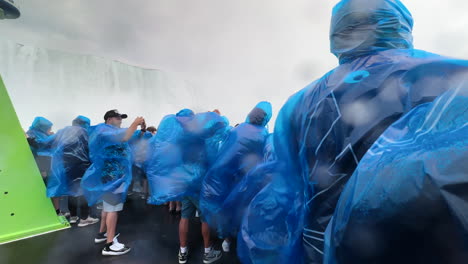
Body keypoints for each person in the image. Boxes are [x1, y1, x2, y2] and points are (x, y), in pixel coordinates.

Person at [237, 0, 468, 263]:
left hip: (319, 247)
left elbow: (285, 193)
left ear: (338, 30)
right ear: (398, 24)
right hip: (424, 245)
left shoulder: (298, 105)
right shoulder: (447, 76)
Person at [145, 109, 226, 264]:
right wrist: (216, 115)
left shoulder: (178, 137)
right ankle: (208, 252)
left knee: (184, 217)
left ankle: (182, 251)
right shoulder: (197, 134)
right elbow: (219, 126)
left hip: (184, 182)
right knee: (205, 218)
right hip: (198, 183)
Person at [200, 102, 272, 253]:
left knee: (230, 208)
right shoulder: (263, 135)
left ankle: (226, 240)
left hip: (230, 177)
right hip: (248, 180)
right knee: (245, 211)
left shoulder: (237, 129)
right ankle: (243, 243)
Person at [81, 109, 145, 256]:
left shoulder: (110, 131)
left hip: (112, 177)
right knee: (113, 210)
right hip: (112, 178)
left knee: (107, 207)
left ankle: (102, 234)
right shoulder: (103, 130)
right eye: (118, 118)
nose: (120, 120)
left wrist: (141, 129)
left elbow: (130, 136)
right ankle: (110, 245)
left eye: (121, 118)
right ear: (109, 119)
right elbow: (124, 138)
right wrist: (135, 123)